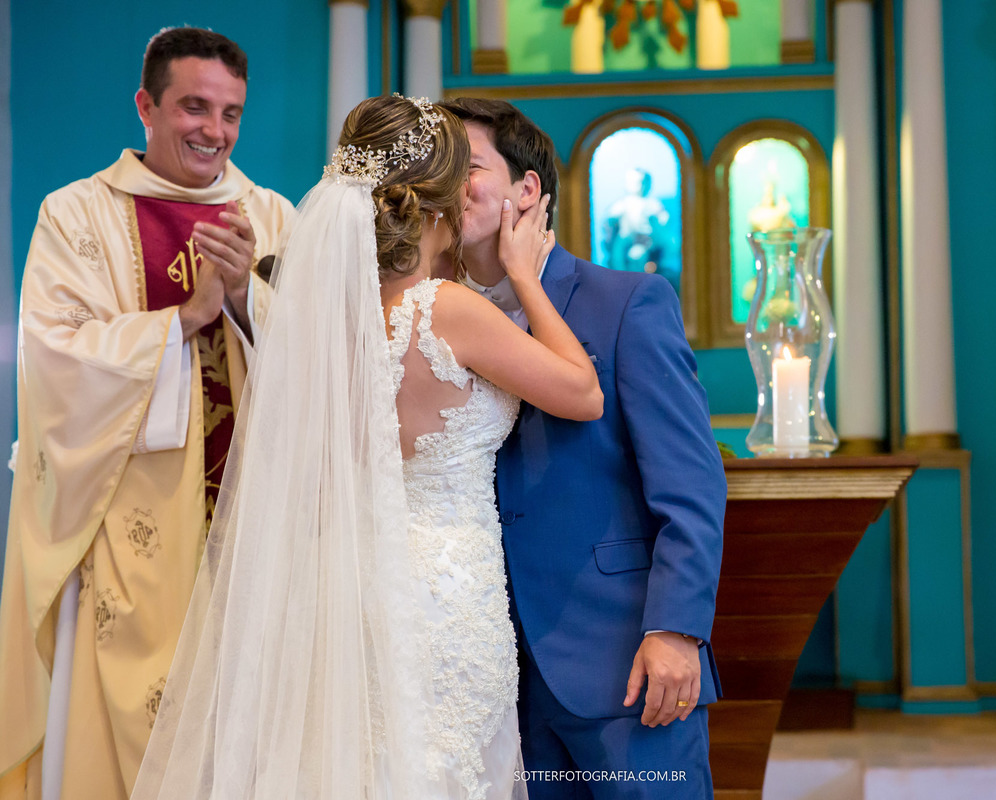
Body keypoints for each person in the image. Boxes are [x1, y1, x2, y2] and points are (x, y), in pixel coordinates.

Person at [131, 95, 602, 800]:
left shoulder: (328, 320)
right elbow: (583, 392)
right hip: (443, 597)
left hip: (353, 582)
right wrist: (527, 279)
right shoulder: (444, 310)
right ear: (441, 201)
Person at [0, 27, 293, 800]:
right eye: (194, 107)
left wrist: (246, 299)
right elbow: (53, 357)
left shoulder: (271, 215)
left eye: (231, 113)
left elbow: (321, 366)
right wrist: (183, 320)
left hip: (247, 525)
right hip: (125, 528)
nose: (214, 131)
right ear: (146, 106)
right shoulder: (76, 215)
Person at [443, 98, 726, 799]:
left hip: (621, 658)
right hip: (490, 671)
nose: (447, 184)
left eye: (468, 167)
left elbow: (691, 487)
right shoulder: (430, 316)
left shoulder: (627, 302)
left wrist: (676, 629)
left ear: (526, 190)